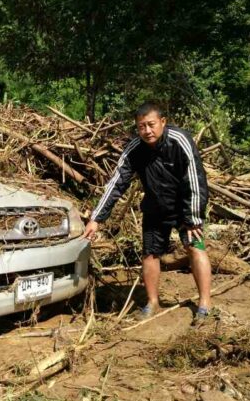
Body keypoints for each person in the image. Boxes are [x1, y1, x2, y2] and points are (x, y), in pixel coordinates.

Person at [82, 102, 213, 325]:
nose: (147, 131)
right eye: (141, 126)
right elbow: (116, 183)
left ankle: (205, 304)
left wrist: (193, 219)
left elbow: (195, 180)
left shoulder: (180, 141)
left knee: (195, 247)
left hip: (184, 208)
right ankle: (152, 302)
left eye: (151, 125)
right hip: (155, 207)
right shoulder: (135, 149)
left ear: (163, 122)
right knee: (150, 254)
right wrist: (96, 218)